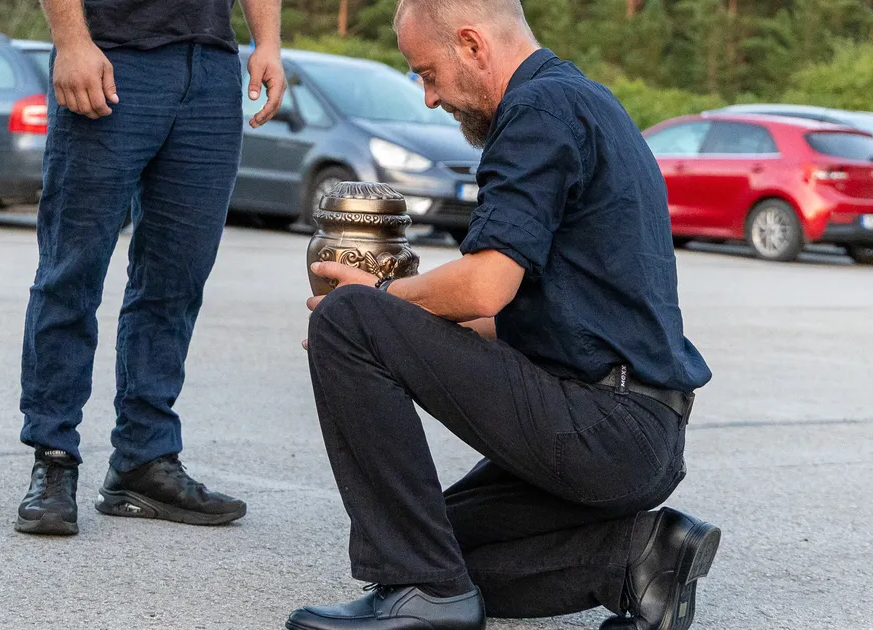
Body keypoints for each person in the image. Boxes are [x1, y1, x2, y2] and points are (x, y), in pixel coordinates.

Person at [286, 1, 720, 630]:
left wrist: (367, 313)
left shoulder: (537, 111)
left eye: (428, 73)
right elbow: (510, 315)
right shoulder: (582, 102)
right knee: (442, 547)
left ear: (471, 44)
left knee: (345, 320)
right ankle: (637, 559)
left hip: (606, 426)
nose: (429, 98)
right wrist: (393, 325)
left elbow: (485, 287)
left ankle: (423, 593)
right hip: (637, 432)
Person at [15, 0, 285, 535]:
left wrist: (268, 43)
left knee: (176, 279)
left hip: (209, 66)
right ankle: (53, 457)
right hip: (111, 53)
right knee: (72, 273)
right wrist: (71, 41)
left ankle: (143, 459)